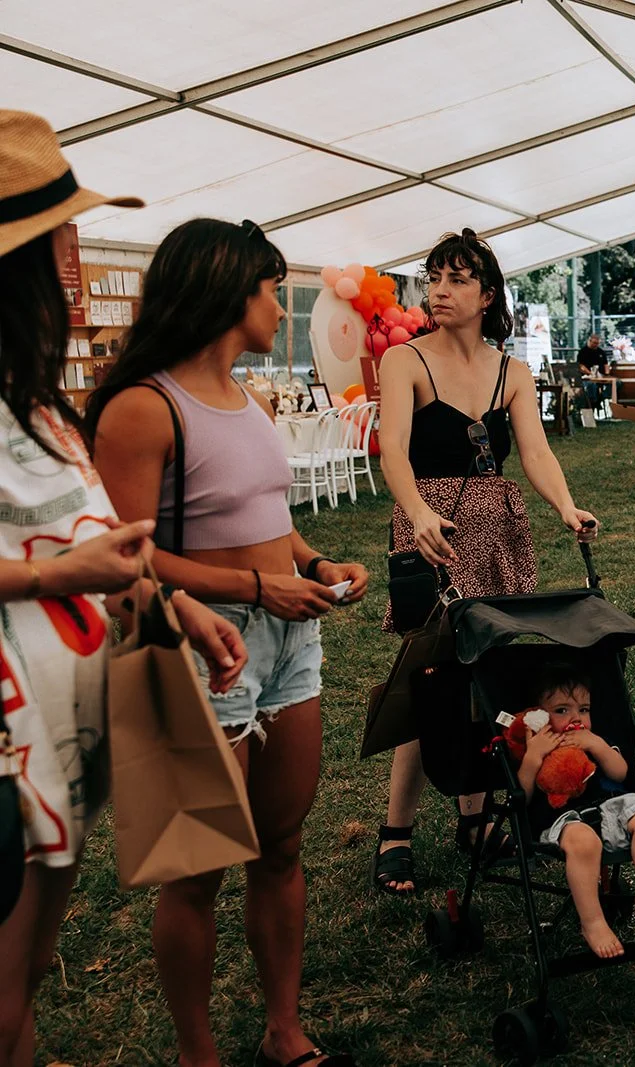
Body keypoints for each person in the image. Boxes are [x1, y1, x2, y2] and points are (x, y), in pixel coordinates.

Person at [89, 217, 371, 1067]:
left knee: (282, 848)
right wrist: (255, 587)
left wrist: (315, 561)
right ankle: (197, 1051)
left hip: (288, 640)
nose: (276, 301)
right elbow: (126, 553)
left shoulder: (245, 394)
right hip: (204, 646)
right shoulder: (144, 406)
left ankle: (283, 1029)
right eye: (265, 285)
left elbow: (266, 519)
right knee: (200, 866)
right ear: (223, 288)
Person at [0, 109, 247, 1067]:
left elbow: (100, 532)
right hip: (9, 758)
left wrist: (174, 600)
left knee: (19, 988)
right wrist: (66, 576)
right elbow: (67, 554)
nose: (78, 250)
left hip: (59, 748)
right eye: (61, 232)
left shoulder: (39, 401)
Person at [373, 229, 599, 896]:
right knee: (429, 680)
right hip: (433, 534)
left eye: (456, 278)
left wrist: (564, 505)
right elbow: (392, 451)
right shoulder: (404, 361)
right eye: (433, 277)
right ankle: (396, 833)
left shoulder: (513, 372)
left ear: (487, 293)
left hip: (495, 532)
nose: (439, 290)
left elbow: (534, 453)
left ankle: (474, 821)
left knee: (486, 686)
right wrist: (416, 512)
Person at [514, 665, 635, 959]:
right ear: (539, 716)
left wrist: (596, 745)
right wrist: (534, 756)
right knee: (585, 844)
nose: (576, 718)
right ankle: (593, 922)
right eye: (562, 710)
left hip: (609, 807)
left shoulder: (596, 739)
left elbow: (621, 772)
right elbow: (521, 796)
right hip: (563, 819)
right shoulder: (534, 748)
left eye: (583, 709)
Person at [577, 333, 609, 410]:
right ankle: (593, 402)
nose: (596, 345)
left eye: (597, 343)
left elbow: (606, 364)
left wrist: (607, 374)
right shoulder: (583, 352)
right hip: (587, 377)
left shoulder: (601, 352)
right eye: (594, 343)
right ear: (589, 341)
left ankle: (600, 398)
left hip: (601, 377)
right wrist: (590, 373)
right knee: (591, 385)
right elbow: (581, 366)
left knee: (617, 383)